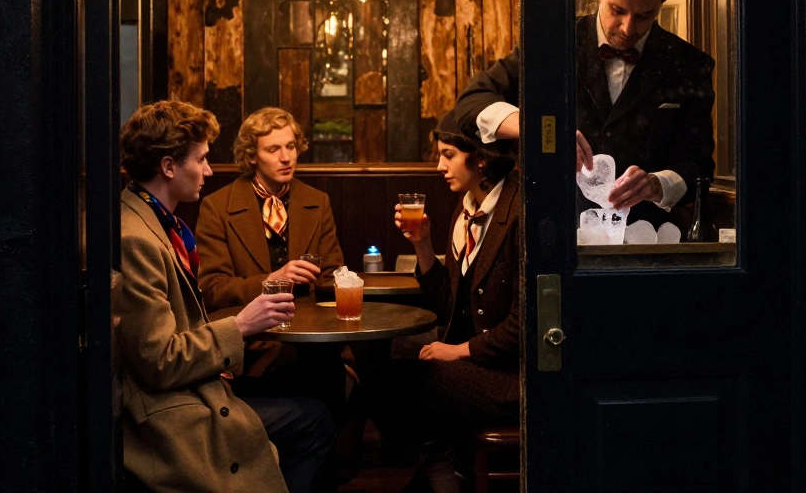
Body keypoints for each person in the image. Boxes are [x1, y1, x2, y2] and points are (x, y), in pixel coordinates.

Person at [115, 100, 332, 493]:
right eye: (201, 159)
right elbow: (161, 361)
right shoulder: (137, 238)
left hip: (197, 386)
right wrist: (242, 324)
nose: (209, 170)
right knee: (313, 420)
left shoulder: (155, 220)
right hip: (168, 413)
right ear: (168, 166)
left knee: (318, 394)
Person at [454, 0, 715, 222]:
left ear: (662, 0)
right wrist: (535, 128)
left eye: (645, 15)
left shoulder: (689, 64)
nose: (628, 28)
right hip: (554, 229)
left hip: (648, 237)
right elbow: (471, 103)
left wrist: (657, 184)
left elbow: (699, 166)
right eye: (618, 10)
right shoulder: (553, 45)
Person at [365, 111, 521, 493]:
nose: (439, 166)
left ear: (480, 159)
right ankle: (443, 466)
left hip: (510, 377)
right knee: (378, 376)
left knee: (391, 382)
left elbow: (526, 324)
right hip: (475, 366)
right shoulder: (465, 208)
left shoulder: (519, 209)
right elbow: (447, 306)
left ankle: (443, 469)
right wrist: (422, 244)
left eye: (448, 155)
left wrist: (459, 351)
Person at [195, 107, 348, 413]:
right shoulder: (217, 207)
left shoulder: (317, 201)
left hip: (312, 340)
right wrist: (273, 280)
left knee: (335, 375)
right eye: (273, 149)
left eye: (291, 146)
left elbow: (333, 276)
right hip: (254, 342)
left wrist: (340, 285)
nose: (286, 157)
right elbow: (212, 289)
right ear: (252, 156)